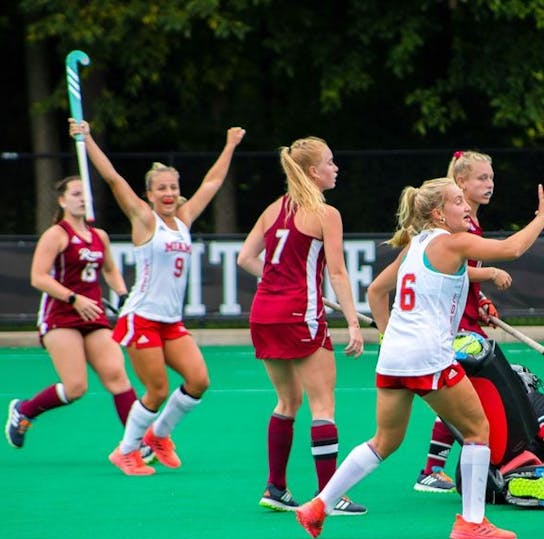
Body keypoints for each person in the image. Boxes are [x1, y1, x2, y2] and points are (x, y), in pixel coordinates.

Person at [294, 176, 544, 539]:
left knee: (384, 441)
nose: (466, 207)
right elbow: (512, 249)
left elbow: (376, 291)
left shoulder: (415, 245)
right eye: (458, 202)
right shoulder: (453, 242)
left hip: (394, 358)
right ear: (438, 213)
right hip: (428, 356)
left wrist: (389, 336)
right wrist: (543, 216)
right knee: (477, 431)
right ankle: (471, 522)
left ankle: (319, 505)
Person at [70, 118, 245, 476]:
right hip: (141, 317)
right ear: (149, 194)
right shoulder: (144, 220)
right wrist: (86, 139)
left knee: (199, 380)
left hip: (170, 321)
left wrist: (229, 146)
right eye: (161, 188)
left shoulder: (183, 219)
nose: (168, 193)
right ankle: (126, 451)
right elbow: (114, 180)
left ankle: (159, 435)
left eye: (173, 187)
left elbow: (212, 183)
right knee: (157, 390)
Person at [237, 136, 366, 513]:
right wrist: (354, 323)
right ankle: (328, 497)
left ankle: (275, 488)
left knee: (287, 401)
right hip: (299, 314)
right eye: (330, 162)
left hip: (264, 314)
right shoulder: (326, 214)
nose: (335, 167)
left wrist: (280, 280)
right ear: (313, 171)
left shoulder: (273, 208)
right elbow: (339, 273)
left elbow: (246, 258)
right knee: (323, 405)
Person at [6, 176, 140, 450]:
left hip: (93, 315)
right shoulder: (56, 235)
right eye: (76, 194)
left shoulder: (98, 236)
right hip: (60, 316)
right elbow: (38, 277)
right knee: (76, 387)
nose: (81, 199)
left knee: (117, 375)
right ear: (62, 200)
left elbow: (110, 270)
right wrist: (73, 298)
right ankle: (25, 410)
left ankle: (137, 442)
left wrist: (125, 296)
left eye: (85, 194)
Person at [410, 150, 512, 494]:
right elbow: (451, 269)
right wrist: (491, 271)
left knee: (462, 394)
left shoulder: (472, 224)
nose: (490, 185)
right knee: (463, 394)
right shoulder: (452, 229)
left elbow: (464, 279)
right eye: (482, 178)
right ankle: (433, 469)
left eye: (492, 178)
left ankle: (437, 468)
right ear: (461, 182)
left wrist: (481, 299)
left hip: (467, 314)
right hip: (450, 320)